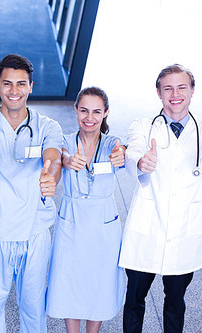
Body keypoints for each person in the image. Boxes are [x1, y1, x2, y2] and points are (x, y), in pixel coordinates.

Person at [119, 64, 202, 333]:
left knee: (175, 302)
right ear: (158, 92)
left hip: (185, 232)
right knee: (134, 299)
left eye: (182, 87)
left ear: (192, 91)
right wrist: (140, 162)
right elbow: (134, 149)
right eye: (168, 88)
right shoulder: (143, 125)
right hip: (146, 230)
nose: (175, 93)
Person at [0, 54, 63, 332]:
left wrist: (51, 178)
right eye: (7, 84)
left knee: (33, 311)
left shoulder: (47, 127)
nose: (14, 91)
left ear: (31, 86)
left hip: (34, 231)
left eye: (21, 84)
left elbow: (53, 159)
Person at [46, 87, 126, 333]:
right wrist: (68, 161)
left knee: (99, 282)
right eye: (84, 110)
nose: (89, 118)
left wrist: (122, 155)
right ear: (75, 110)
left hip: (103, 225)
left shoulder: (113, 144)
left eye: (96, 111)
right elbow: (62, 156)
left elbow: (122, 152)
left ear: (106, 113)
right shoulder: (65, 143)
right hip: (72, 221)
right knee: (68, 280)